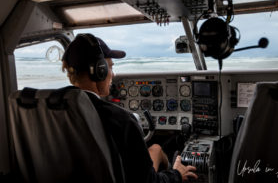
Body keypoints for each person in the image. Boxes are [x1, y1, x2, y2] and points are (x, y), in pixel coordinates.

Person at [62, 33, 198, 183]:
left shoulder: (50, 114)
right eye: (110, 67)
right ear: (100, 70)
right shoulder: (121, 120)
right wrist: (177, 174)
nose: (112, 74)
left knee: (156, 149)